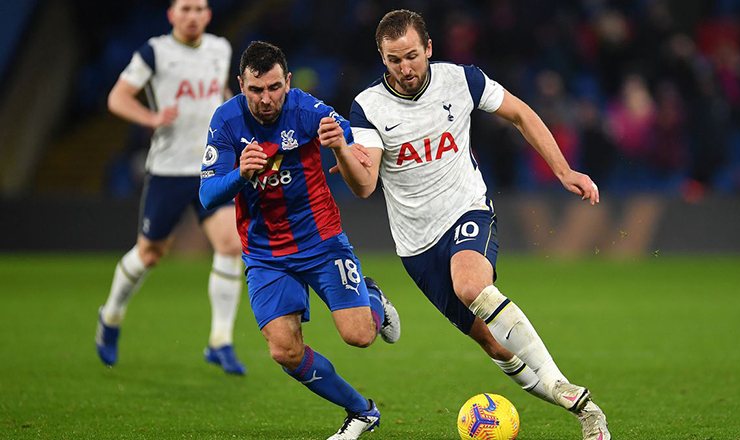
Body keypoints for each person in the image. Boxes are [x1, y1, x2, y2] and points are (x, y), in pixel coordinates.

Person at [319, 9, 611, 440]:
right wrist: (343, 151)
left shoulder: (462, 79)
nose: (405, 68)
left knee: (472, 286)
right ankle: (583, 410)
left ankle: (576, 399)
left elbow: (522, 114)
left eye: (412, 56)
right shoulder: (369, 107)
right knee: (496, 345)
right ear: (382, 58)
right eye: (394, 60)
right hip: (417, 246)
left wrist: (563, 170)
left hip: (467, 209)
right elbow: (364, 187)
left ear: (429, 49)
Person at [199, 41, 400, 440]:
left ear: (287, 81)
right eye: (256, 90)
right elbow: (207, 196)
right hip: (266, 254)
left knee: (359, 335)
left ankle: (372, 296)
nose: (266, 98)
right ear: (241, 85)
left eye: (274, 87)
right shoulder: (225, 122)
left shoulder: (308, 109)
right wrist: (240, 174)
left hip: (321, 241)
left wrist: (343, 144)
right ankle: (362, 411)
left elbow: (351, 142)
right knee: (284, 351)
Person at [95, 0, 247, 375]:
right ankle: (111, 316)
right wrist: (151, 117)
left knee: (231, 244)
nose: (193, 15)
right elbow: (117, 97)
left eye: (199, 8)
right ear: (172, 15)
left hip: (210, 167)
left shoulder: (220, 49)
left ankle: (220, 341)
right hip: (168, 170)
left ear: (208, 15)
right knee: (150, 254)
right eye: (186, 8)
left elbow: (221, 95)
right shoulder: (155, 51)